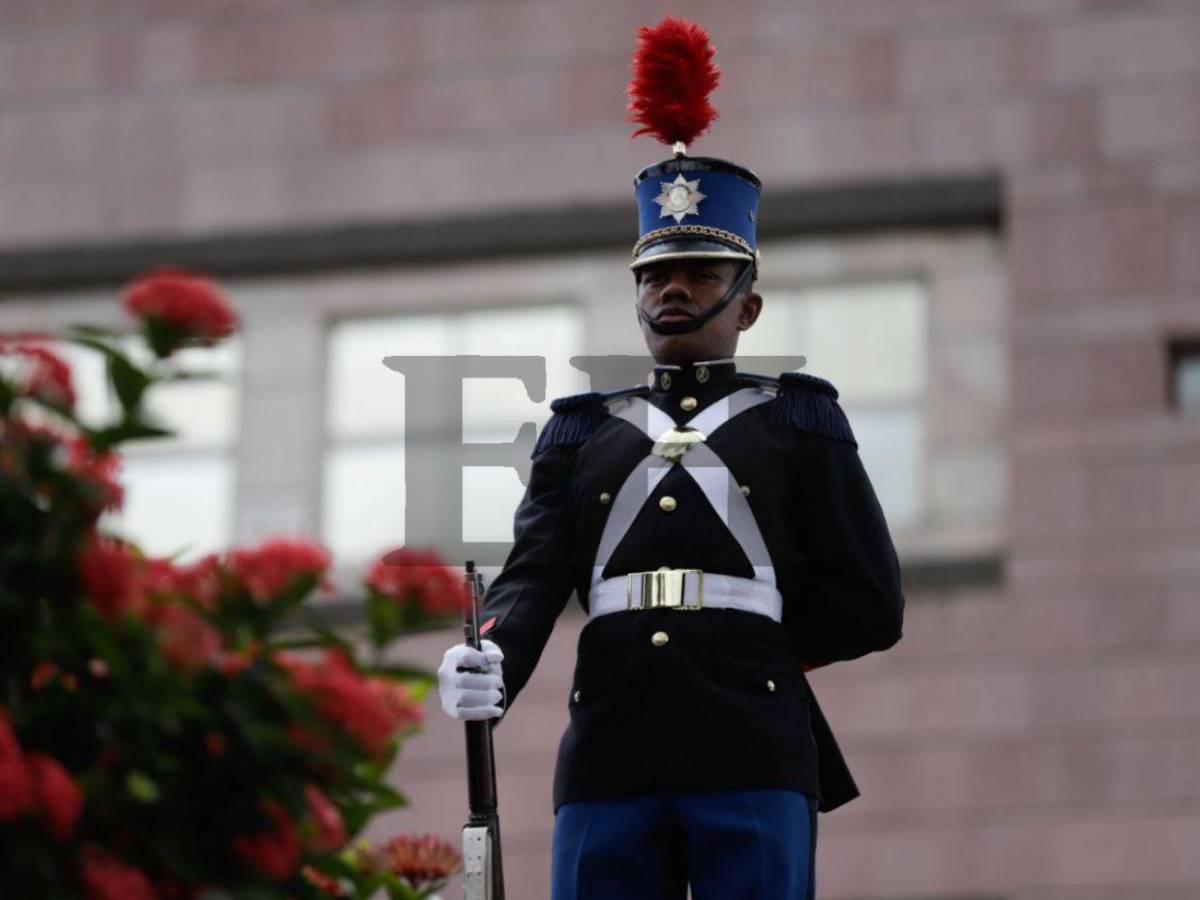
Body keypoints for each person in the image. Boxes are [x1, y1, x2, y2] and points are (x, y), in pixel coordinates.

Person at [437, 17, 904, 900]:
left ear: (748, 304)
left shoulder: (800, 418)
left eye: (695, 271)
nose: (673, 289)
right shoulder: (579, 429)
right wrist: (493, 655)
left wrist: (748, 635)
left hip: (754, 748)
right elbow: (534, 578)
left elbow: (871, 603)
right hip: (609, 746)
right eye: (655, 276)